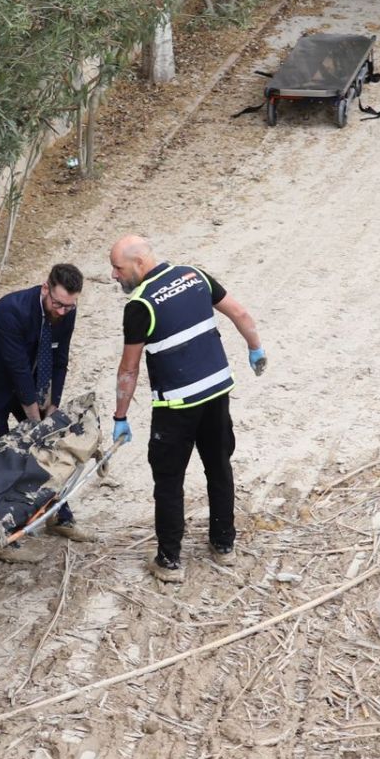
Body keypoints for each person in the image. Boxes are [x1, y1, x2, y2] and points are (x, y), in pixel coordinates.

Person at [106, 235, 267, 583]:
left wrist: (120, 416)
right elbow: (239, 312)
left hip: (176, 405)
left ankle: (169, 561)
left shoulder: (140, 306)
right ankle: (224, 545)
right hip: (217, 393)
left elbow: (129, 369)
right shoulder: (194, 275)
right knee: (219, 467)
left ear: (138, 263)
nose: (114, 276)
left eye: (118, 268)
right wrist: (256, 348)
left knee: (168, 480)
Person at [0, 263, 94, 556]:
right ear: (45, 288)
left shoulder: (66, 310)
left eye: (69, 305)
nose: (62, 311)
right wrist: (35, 422)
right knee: (1, 462)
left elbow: (59, 360)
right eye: (58, 304)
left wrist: (52, 407)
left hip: (28, 380)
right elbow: (17, 369)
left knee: (50, 451)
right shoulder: (10, 312)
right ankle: (1, 536)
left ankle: (57, 516)